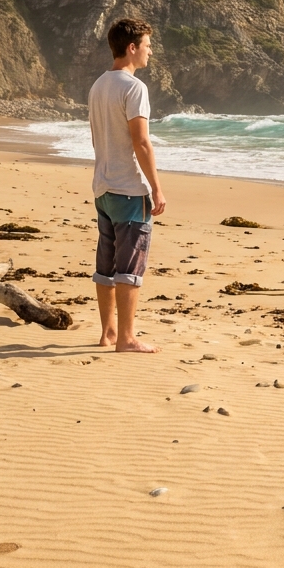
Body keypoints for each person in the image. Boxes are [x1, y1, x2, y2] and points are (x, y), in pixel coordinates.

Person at [88, 18, 166, 352]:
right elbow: (142, 142)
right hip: (129, 190)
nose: (150, 52)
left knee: (106, 267)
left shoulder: (98, 86)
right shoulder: (134, 88)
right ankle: (127, 338)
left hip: (102, 188)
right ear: (131, 48)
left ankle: (108, 333)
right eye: (147, 45)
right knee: (130, 268)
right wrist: (156, 188)